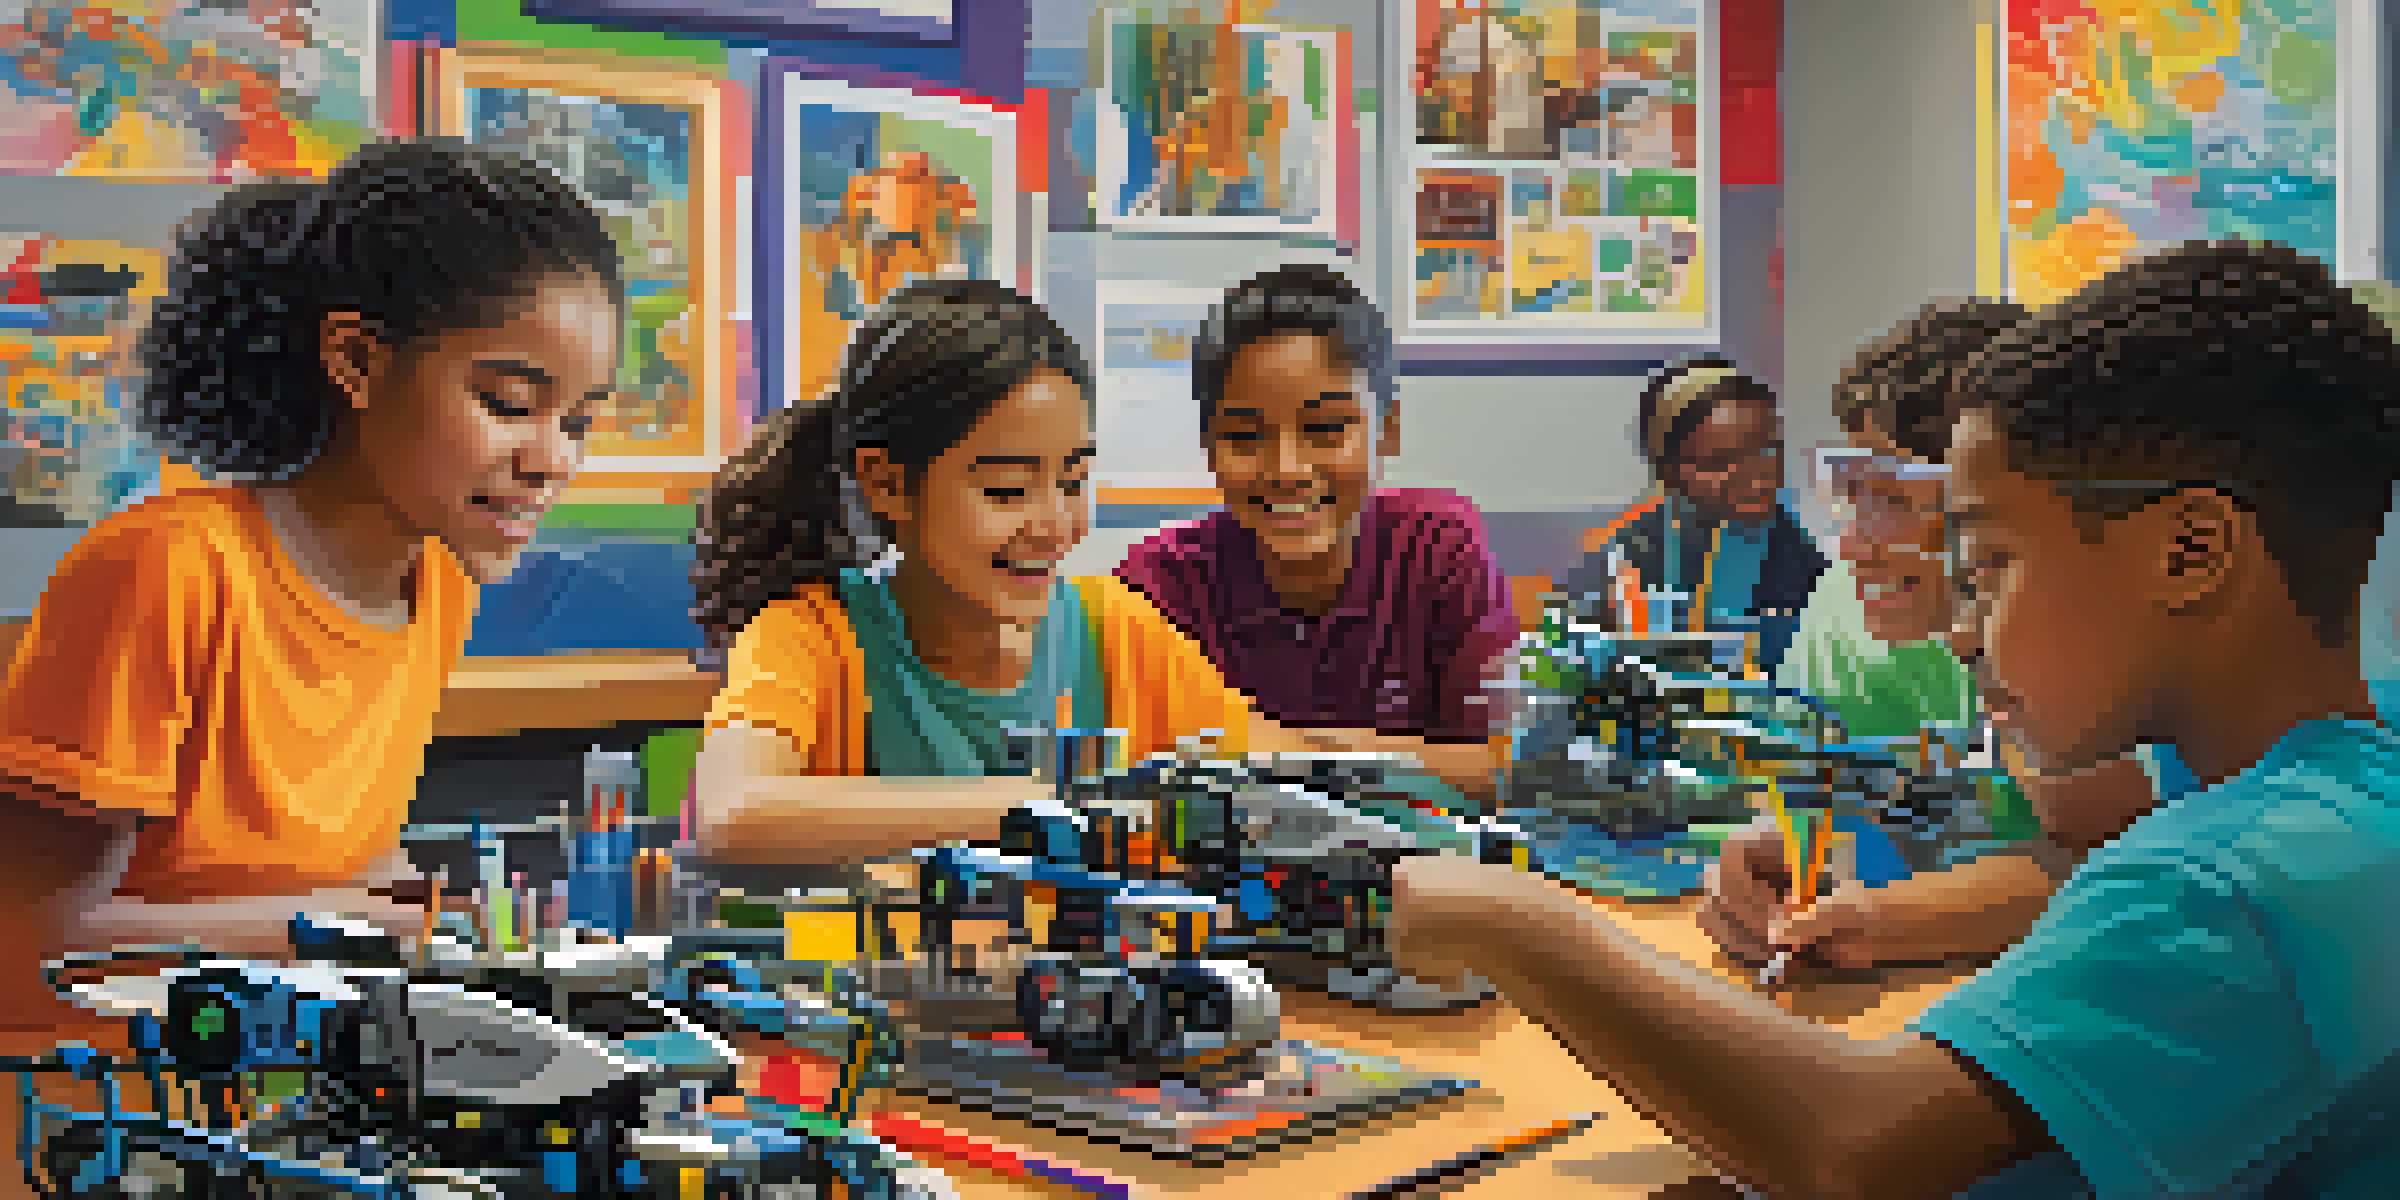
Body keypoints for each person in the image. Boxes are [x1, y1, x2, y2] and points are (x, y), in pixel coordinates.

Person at [1386, 240, 2400, 1198]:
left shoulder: (2220, 884)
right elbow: (2069, 843)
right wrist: (1881, 896)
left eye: (1994, 564)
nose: (1963, 631)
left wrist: (1509, 922)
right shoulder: (2339, 779)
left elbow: (1849, 1148)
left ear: (2190, 554)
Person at [0, 137, 621, 1188]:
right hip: (93, 1127)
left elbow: (316, 861)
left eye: (580, 421)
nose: (551, 458)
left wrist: (413, 909)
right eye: (510, 404)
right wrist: (329, 929)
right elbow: (26, 947)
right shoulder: (166, 571)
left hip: (289, 1118)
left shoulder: (442, 589)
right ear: (358, 361)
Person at [689, 278, 1338, 868]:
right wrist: (1049, 804)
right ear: (887, 484)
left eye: (1074, 481)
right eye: (1006, 490)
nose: (1055, 524)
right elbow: (732, 817)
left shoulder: (1113, 633)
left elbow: (1281, 768)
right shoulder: (810, 640)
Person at [1698, 299, 2191, 970]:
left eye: (1896, 500)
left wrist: (1885, 919)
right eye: (1852, 489)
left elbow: (2114, 872)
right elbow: (1817, 798)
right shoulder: (1844, 606)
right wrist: (1770, 859)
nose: (1851, 543)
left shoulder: (2063, 635)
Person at [1114, 266, 1516, 803]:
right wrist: (1381, 759)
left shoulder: (1439, 546)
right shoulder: (1156, 588)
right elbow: (1142, 776)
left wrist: (1313, 750)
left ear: (1386, 431)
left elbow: (1503, 768)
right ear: (1208, 446)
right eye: (1244, 435)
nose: (1287, 468)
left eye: (1325, 429)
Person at [1558, 356, 1828, 675]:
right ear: (1667, 472)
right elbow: (1566, 667)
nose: (1756, 476)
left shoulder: (1802, 563)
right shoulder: (1620, 563)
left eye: (1768, 450)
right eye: (1721, 461)